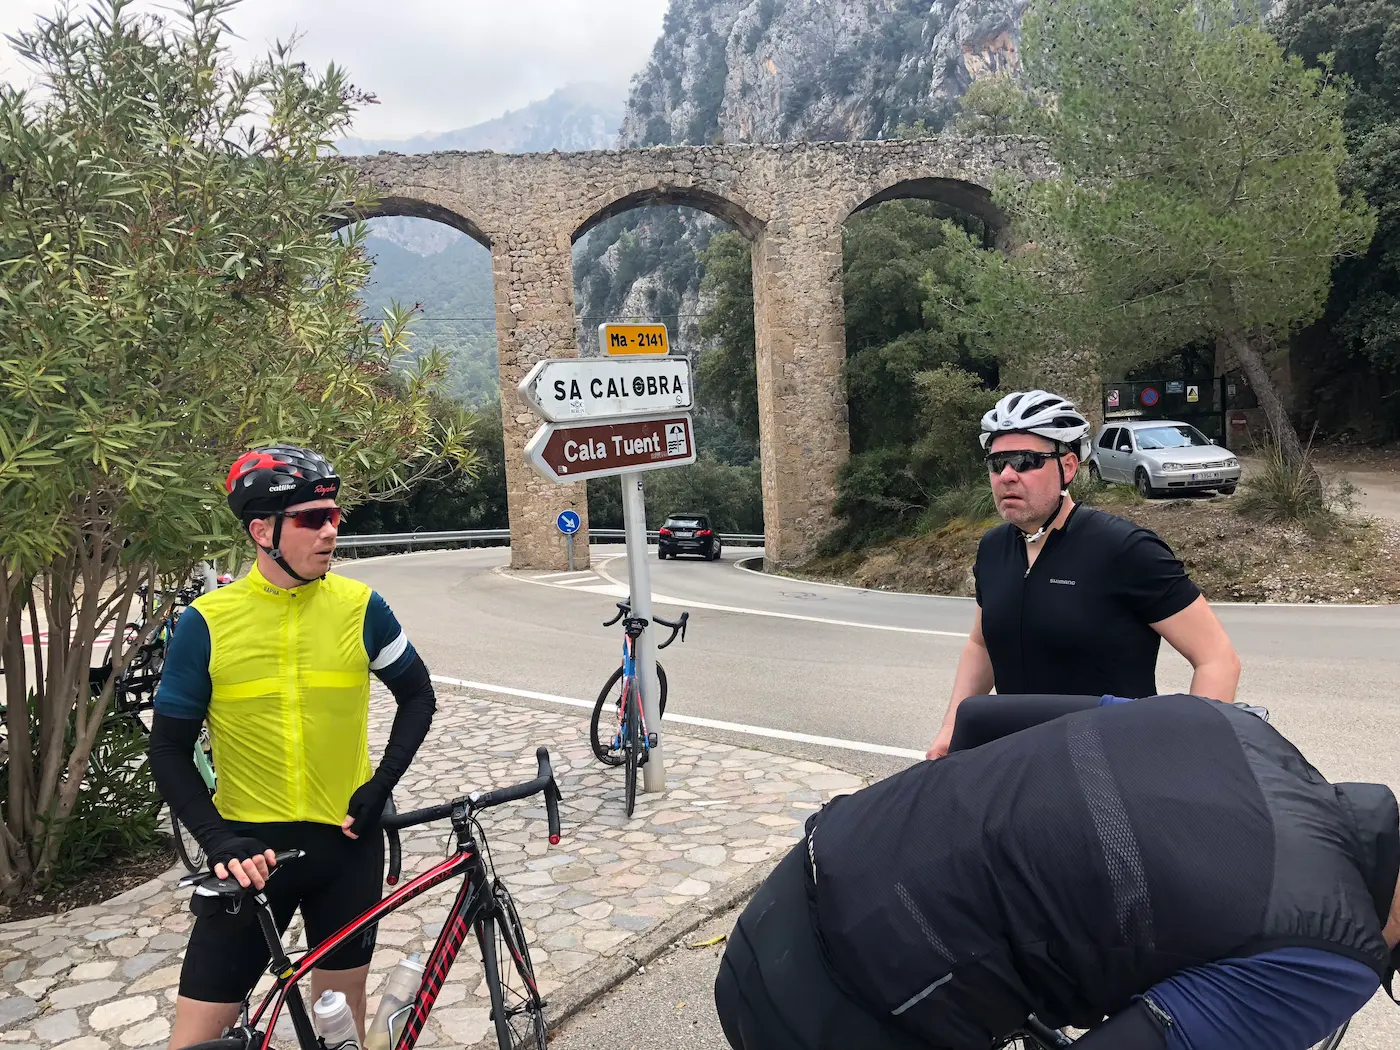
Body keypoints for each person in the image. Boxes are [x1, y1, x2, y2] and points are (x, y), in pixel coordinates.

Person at [714, 693, 1400, 1050]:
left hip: (797, 884)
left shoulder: (1232, 725)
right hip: (847, 1013)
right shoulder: (1332, 954)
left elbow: (981, 719)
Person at [148, 446, 437, 1049]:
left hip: (347, 846)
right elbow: (169, 749)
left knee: (341, 1024)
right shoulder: (206, 622)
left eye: (334, 516)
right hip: (251, 854)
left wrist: (380, 786)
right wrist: (218, 840)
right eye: (312, 519)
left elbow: (418, 696)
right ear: (262, 531)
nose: (330, 531)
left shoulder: (361, 608)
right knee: (196, 1037)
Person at [925, 390, 1240, 759]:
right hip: (1018, 761)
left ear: (1069, 466)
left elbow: (1217, 659)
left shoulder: (1124, 548)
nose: (1007, 475)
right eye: (997, 463)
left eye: (1025, 461)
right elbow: (981, 646)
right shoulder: (993, 549)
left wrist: (1193, 761)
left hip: (1110, 765)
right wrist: (951, 728)